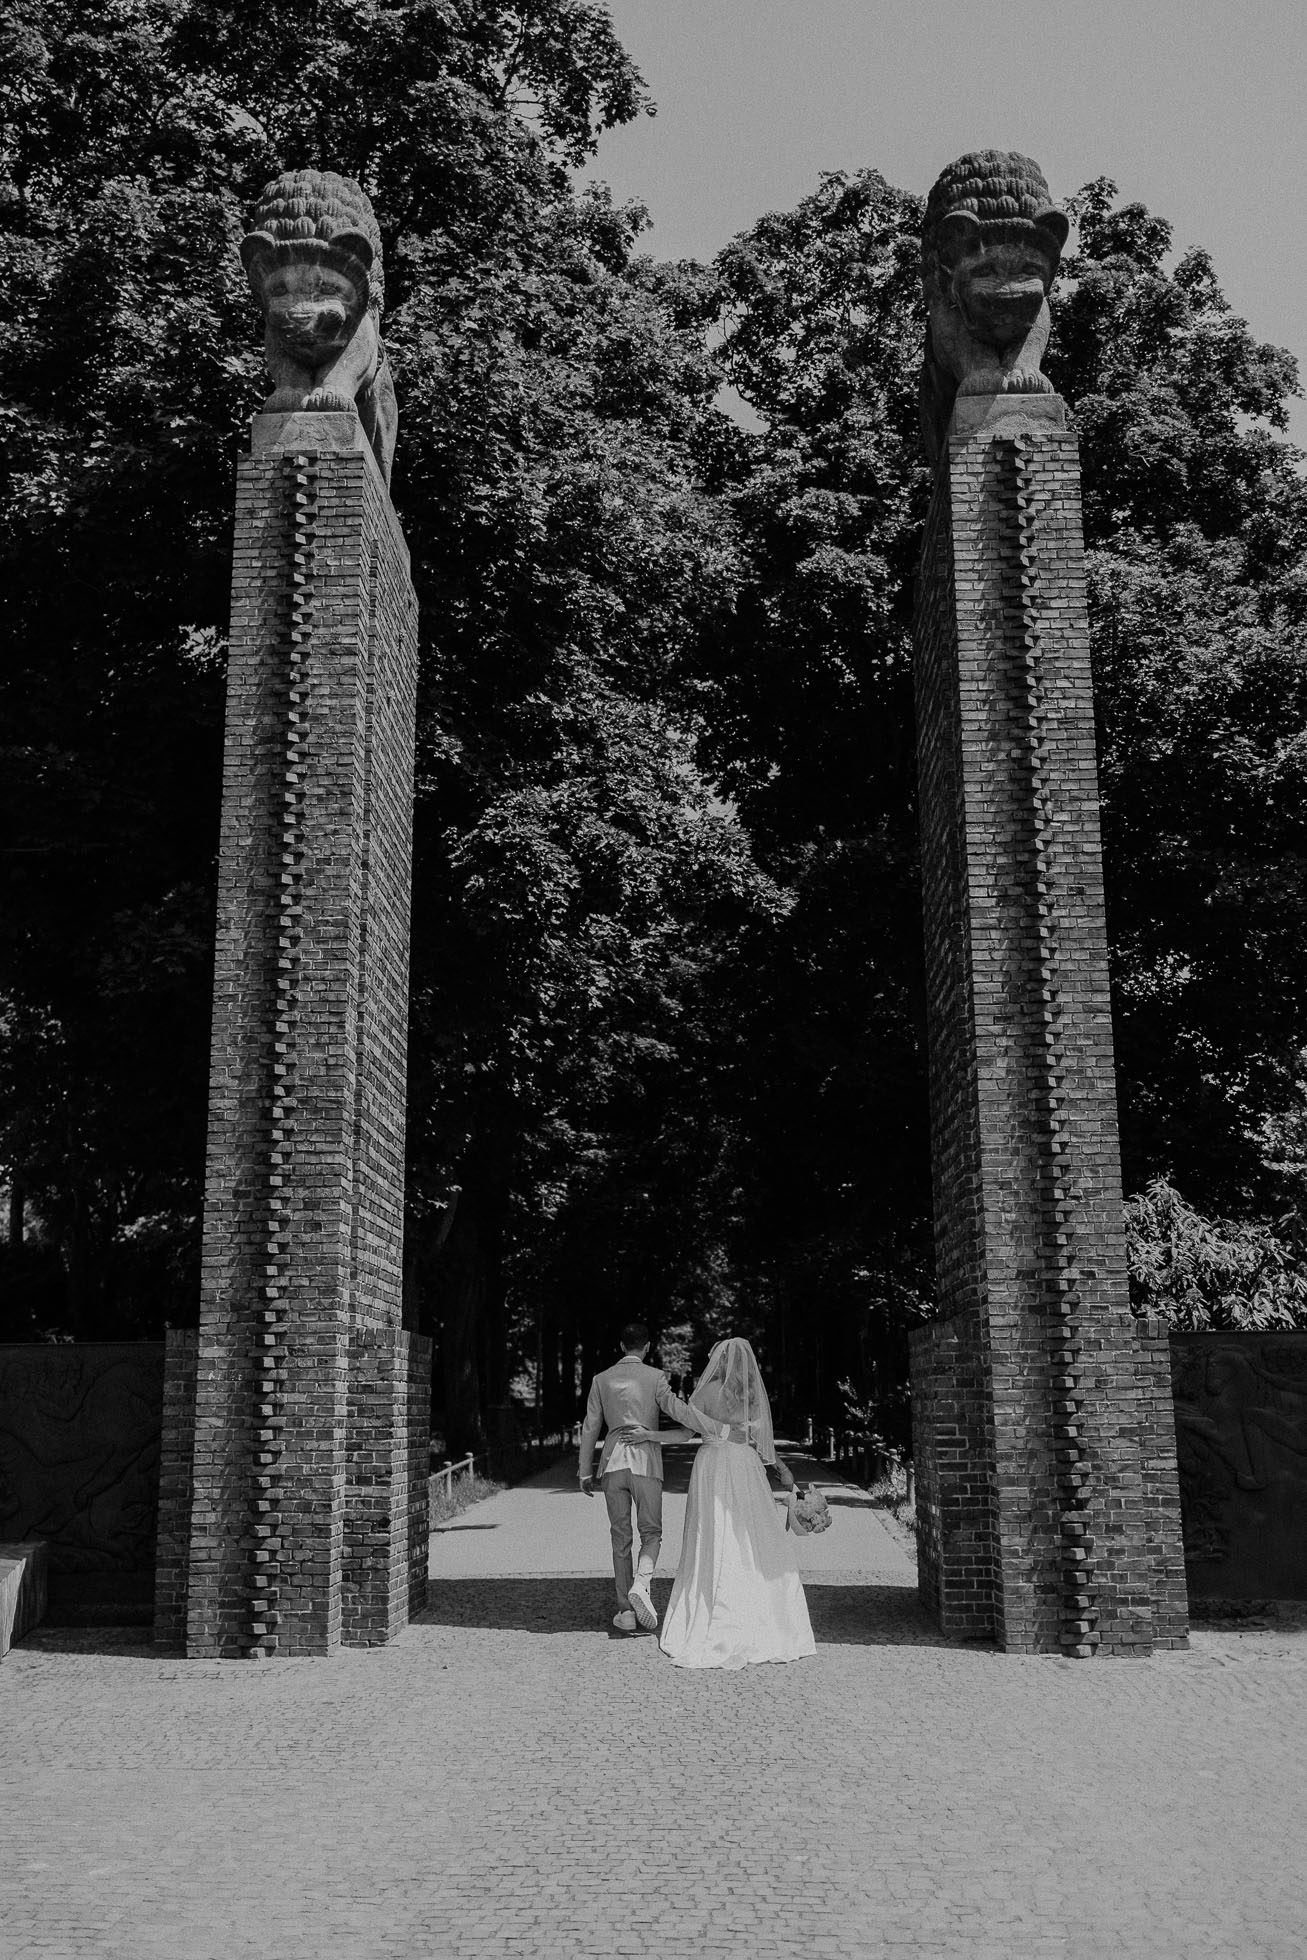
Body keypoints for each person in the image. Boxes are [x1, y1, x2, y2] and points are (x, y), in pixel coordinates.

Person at [622, 1336, 816, 1669]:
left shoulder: (706, 1393)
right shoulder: (751, 1395)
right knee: (752, 1538)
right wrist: (785, 1472)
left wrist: (648, 1436)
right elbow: (762, 1444)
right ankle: (766, 1616)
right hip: (746, 1467)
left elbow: (685, 1434)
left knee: (712, 1536)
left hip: (713, 1466)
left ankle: (716, 1611)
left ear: (719, 1362)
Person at [577, 1320, 722, 1635]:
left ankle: (625, 1611)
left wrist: (585, 1471)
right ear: (648, 1346)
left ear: (620, 1346)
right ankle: (641, 1585)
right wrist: (709, 1423)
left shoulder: (601, 1380)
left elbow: (591, 1425)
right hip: (646, 1465)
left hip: (612, 1466)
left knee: (620, 1538)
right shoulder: (656, 1378)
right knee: (652, 1534)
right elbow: (678, 1410)